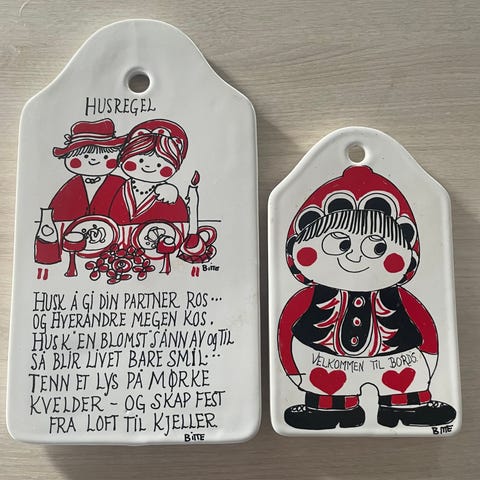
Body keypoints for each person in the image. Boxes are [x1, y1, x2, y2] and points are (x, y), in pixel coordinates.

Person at [278, 165, 456, 430]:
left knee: (404, 378)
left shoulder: (399, 297)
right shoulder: (309, 297)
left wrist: (429, 358)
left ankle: (405, 406)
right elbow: (286, 327)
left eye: (377, 247)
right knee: (326, 381)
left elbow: (425, 325)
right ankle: (332, 408)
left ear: (408, 258)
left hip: (394, 357)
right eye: (339, 243)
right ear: (298, 248)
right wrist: (293, 369)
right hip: (325, 359)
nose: (355, 256)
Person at [109, 119, 189, 225]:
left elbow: (180, 223)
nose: (148, 166)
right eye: (141, 160)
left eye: (159, 164)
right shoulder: (117, 186)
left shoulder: (169, 194)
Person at [50, 118, 125, 221]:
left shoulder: (119, 183)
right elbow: (56, 213)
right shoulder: (71, 185)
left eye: (105, 157)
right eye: (85, 156)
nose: (94, 160)